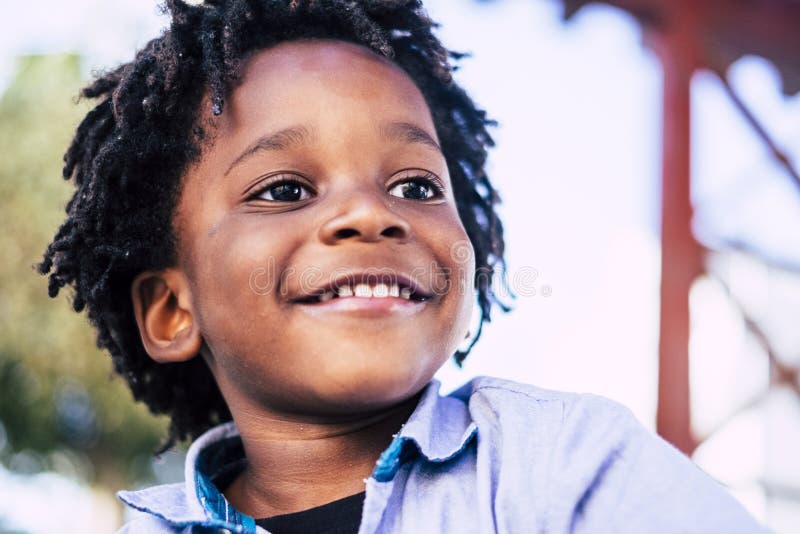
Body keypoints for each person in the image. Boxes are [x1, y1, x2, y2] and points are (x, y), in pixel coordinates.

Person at [39, 1, 769, 532]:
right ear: (172, 311)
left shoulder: (564, 464)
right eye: (285, 190)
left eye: (416, 186)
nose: (370, 213)